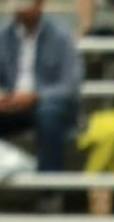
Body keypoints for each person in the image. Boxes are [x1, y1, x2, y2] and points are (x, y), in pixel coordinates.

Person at [0, 0, 80, 175]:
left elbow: (70, 85)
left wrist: (36, 96)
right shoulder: (3, 36)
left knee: (49, 114)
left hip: (48, 105)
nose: (20, 11)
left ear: (39, 5)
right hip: (12, 103)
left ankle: (49, 190)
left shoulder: (61, 36)